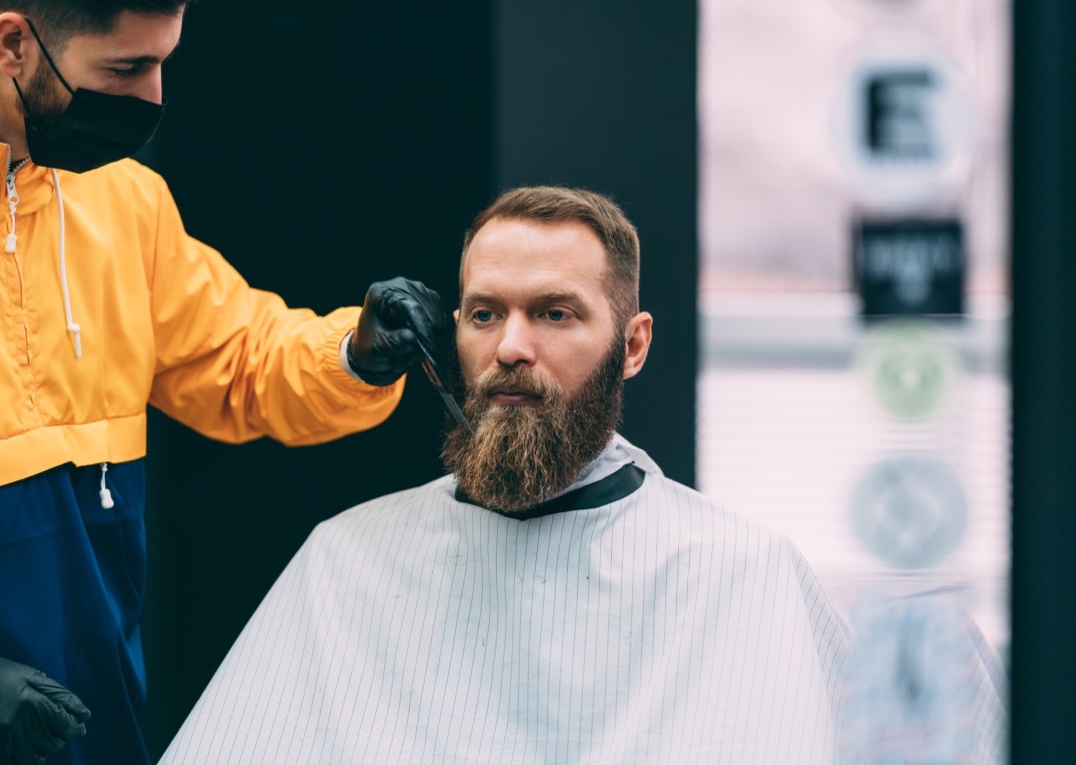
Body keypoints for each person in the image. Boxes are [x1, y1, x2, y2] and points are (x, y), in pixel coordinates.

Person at [0, 0, 449, 763]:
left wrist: (355, 353)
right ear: (13, 42)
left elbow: (240, 361)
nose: (152, 97)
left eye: (161, 63)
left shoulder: (124, 202)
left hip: (99, 732)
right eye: (125, 69)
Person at [158, 186, 859, 763]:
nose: (511, 347)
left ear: (633, 345)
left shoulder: (740, 572)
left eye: (554, 314)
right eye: (486, 315)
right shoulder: (348, 560)